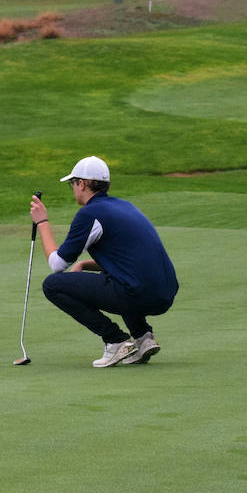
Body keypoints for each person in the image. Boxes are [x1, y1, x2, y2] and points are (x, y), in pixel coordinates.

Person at [30, 155, 178, 368]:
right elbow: (129, 259)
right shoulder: (125, 206)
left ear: (82, 184)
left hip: (139, 294)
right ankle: (143, 338)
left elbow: (57, 264)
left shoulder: (90, 213)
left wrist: (42, 222)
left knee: (52, 285)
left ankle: (115, 340)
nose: (73, 188)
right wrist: (85, 265)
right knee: (118, 277)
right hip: (164, 294)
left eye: (73, 183)